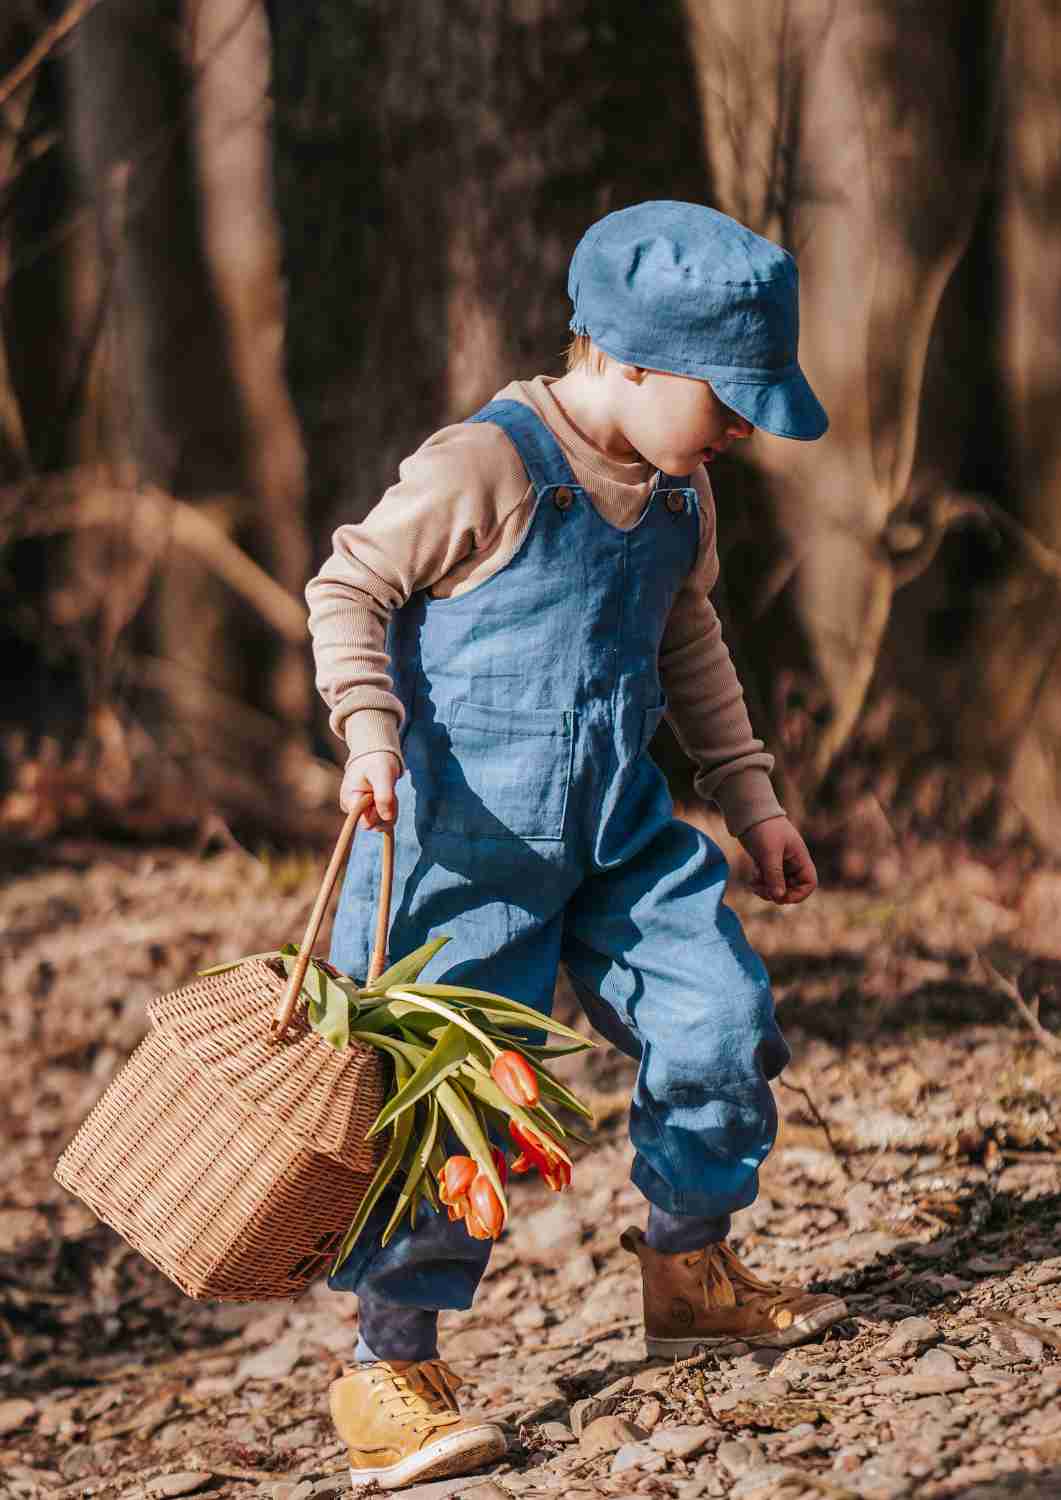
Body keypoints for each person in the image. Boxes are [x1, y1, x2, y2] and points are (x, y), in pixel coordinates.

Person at [305, 199, 847, 1493]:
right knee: (445, 1113)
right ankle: (389, 1371)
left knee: (720, 1018)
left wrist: (752, 798)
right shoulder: (485, 466)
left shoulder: (678, 497)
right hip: (456, 856)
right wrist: (368, 729)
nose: (737, 432)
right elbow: (350, 583)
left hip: (616, 838)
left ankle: (688, 1265)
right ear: (629, 360)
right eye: (726, 401)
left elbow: (689, 639)